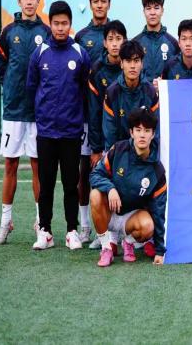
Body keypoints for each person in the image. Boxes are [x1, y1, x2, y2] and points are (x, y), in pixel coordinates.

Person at [26, 1, 91, 250]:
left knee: (71, 185)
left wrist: (76, 117)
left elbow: (85, 89)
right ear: (50, 24)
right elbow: (32, 87)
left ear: (70, 24)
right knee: (46, 185)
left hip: (71, 132)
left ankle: (72, 231)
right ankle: (45, 232)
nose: (60, 28)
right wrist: (42, 116)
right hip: (46, 131)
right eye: (56, 23)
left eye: (64, 23)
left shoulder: (80, 53)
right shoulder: (40, 53)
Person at [0, 0, 51, 244]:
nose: (29, 2)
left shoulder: (46, 32)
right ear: (19, 1)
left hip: (38, 112)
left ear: (39, 1)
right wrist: (9, 85)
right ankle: (6, 221)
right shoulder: (9, 32)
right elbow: (1, 62)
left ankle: (41, 222)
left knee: (38, 167)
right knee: (11, 165)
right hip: (14, 111)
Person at [89, 108, 166, 267]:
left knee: (148, 226)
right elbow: (95, 175)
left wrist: (159, 251)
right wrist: (110, 188)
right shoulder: (118, 150)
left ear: (153, 134)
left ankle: (128, 242)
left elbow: (159, 211)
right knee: (95, 195)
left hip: (131, 218)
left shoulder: (157, 170)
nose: (142, 135)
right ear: (131, 133)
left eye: (147, 131)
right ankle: (106, 248)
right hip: (110, 212)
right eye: (138, 130)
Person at [75, 0, 112, 243]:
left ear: (109, 4)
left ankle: (108, 228)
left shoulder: (116, 33)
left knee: (109, 170)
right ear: (90, 5)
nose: (99, 5)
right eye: (96, 1)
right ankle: (85, 225)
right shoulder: (82, 36)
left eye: (103, 1)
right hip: (87, 115)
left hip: (112, 117)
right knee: (84, 170)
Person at [84, 20, 126, 243]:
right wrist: (96, 147)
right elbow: (93, 111)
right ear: (104, 43)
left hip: (128, 139)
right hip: (105, 138)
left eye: (119, 39)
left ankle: (126, 234)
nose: (115, 44)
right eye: (111, 39)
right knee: (101, 184)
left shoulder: (131, 64)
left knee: (126, 183)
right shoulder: (97, 70)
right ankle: (103, 233)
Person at [103, 40, 159, 151]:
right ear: (121, 64)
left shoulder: (150, 92)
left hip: (145, 153)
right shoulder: (112, 92)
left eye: (136, 61)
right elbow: (110, 133)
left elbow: (156, 131)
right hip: (120, 153)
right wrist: (115, 156)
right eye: (128, 61)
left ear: (142, 64)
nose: (132, 66)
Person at [132, 0, 179, 82]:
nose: (152, 13)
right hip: (142, 91)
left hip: (165, 91)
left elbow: (178, 74)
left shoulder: (173, 43)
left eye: (156, 8)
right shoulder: (135, 43)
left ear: (162, 11)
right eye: (148, 8)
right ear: (144, 11)